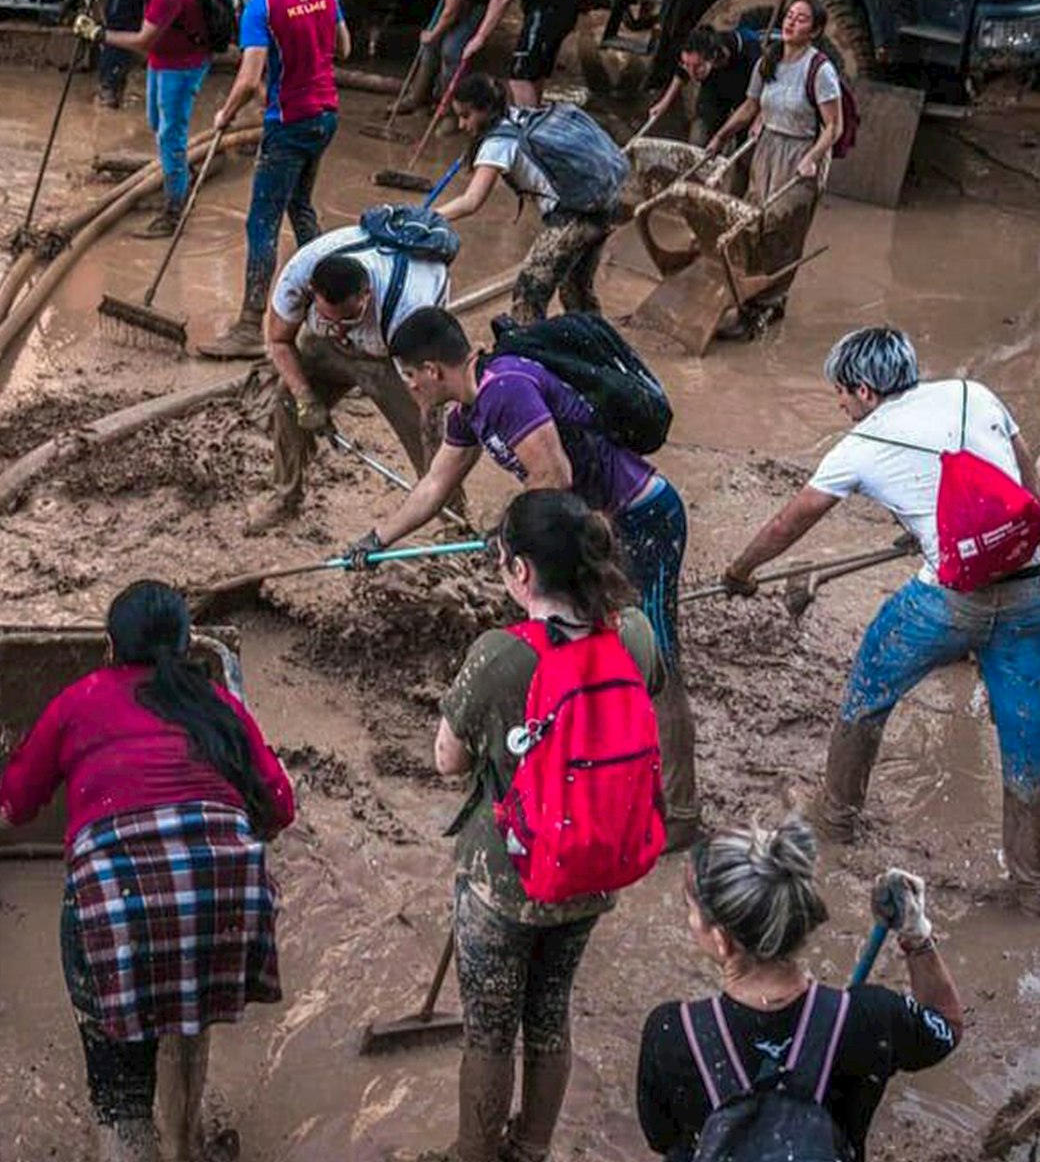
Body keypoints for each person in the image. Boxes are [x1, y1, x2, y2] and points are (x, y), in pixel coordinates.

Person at [0, 581, 296, 1162]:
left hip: (118, 906)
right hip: (226, 896)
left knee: (120, 1097)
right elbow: (280, 807)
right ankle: (185, 1144)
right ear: (188, 646)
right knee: (187, 1010)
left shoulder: (81, 700)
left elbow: (17, 804)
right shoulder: (219, 706)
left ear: (110, 649)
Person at [356, 307, 703, 849]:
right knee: (591, 643)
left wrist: (507, 534)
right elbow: (433, 487)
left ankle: (680, 813)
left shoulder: (505, 389)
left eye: (407, 376)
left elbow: (553, 475)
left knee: (658, 661)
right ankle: (602, 771)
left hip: (641, 517)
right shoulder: (469, 412)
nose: (407, 387)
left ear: (430, 370)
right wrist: (376, 539)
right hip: (588, 526)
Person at [721, 328, 1039, 914]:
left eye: (840, 393)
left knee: (869, 685)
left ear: (864, 390)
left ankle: (837, 815)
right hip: (1031, 595)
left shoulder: (859, 446)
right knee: (1027, 742)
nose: (840, 405)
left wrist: (739, 571)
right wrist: (925, 529)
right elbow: (1025, 483)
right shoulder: (974, 393)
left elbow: (788, 525)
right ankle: (1029, 885)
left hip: (950, 600)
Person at [435, 489, 666, 1162]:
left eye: (503, 558)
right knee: (549, 1013)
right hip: (595, 866)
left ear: (522, 572)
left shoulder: (501, 654)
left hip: (504, 879)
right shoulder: (635, 633)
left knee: (489, 1030)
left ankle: (474, 1153)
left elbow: (448, 761)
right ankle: (531, 1148)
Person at [637, 821, 962, 1161]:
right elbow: (945, 1029)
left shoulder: (674, 1032)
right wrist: (916, 934)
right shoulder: (869, 1017)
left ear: (721, 939)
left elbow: (661, 1137)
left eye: (690, 910)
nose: (689, 920)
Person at [240, 224, 457, 535]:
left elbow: (432, 399)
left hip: (389, 353)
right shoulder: (297, 277)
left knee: (425, 433)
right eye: (329, 319)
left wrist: (432, 434)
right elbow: (278, 342)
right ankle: (285, 496)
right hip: (335, 344)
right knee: (288, 399)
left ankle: (452, 519)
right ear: (312, 293)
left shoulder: (411, 310)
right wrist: (305, 396)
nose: (341, 332)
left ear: (365, 294)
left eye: (348, 319)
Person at [201, 0, 350, 361]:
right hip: (326, 116)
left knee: (261, 221)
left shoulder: (262, 3)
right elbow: (343, 47)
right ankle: (333, 302)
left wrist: (225, 113)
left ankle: (249, 326)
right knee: (300, 205)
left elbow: (248, 78)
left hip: (289, 124)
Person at [702, 0, 843, 339]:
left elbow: (833, 126)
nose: (791, 23)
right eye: (789, 16)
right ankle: (756, 300)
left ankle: (760, 308)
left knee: (779, 231)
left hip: (801, 158)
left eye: (801, 19)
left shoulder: (820, 70)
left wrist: (811, 157)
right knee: (749, 225)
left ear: (816, 30)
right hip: (765, 152)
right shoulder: (769, 60)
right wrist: (720, 136)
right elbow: (750, 106)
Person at [435, 72, 620, 322]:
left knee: (528, 292)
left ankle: (527, 354)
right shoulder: (516, 115)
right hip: (602, 205)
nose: (462, 125)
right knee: (576, 292)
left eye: (466, 116)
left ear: (486, 108)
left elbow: (471, 201)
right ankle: (597, 347)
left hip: (572, 215)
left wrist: (429, 217)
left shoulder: (497, 143)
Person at [76, 0, 214, 239]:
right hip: (163, 57)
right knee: (156, 122)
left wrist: (99, 34)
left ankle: (174, 210)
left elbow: (141, 40)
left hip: (182, 65)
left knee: (170, 135)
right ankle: (178, 171)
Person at [647, 22, 761, 148]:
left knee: (743, 146)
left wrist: (722, 136)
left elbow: (754, 101)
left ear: (713, 57)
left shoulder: (748, 50)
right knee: (699, 138)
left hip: (746, 96)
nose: (692, 73)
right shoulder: (696, 60)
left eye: (697, 67)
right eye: (687, 65)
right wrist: (664, 103)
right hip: (714, 93)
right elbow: (682, 72)